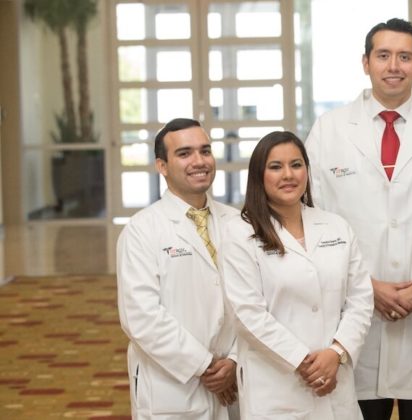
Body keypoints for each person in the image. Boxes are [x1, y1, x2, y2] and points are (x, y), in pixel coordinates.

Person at [305, 17, 412, 420]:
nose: (393, 66)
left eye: (404, 56)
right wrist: (365, 286)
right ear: (365, 62)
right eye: (383, 56)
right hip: (354, 318)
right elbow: (313, 221)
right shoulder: (329, 131)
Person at [220, 131, 373, 419]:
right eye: (275, 167)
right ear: (258, 176)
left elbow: (361, 299)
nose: (288, 175)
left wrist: (336, 353)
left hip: (335, 377)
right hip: (277, 384)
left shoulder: (336, 226)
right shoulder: (240, 233)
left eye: (296, 164)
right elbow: (248, 314)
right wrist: (306, 363)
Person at [117, 118, 239, 419]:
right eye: (184, 153)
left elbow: (257, 299)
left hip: (235, 377)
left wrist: (235, 360)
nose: (199, 161)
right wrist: (206, 367)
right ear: (162, 166)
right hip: (171, 386)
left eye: (205, 151)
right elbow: (141, 317)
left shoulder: (237, 223)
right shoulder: (142, 230)